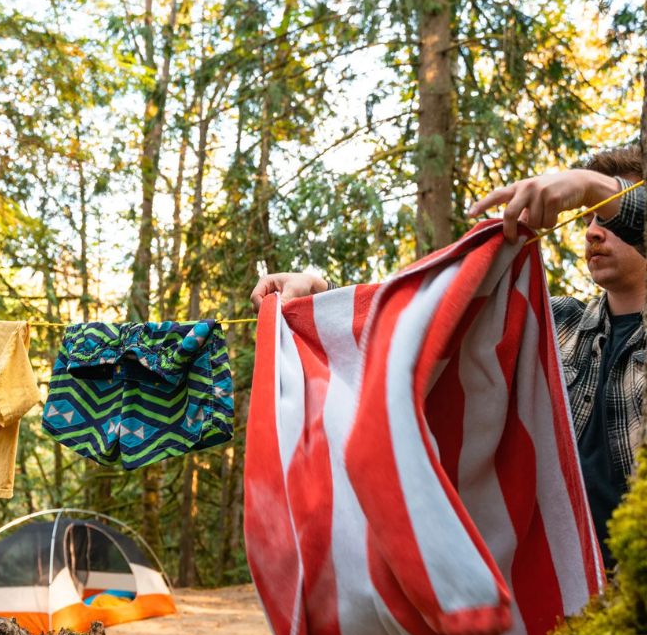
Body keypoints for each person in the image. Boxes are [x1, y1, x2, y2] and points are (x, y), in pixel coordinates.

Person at [249, 146, 646, 569]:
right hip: (567, 588)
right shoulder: (556, 323)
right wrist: (319, 293)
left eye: (605, 216)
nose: (591, 231)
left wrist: (589, 187)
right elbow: (422, 324)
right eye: (587, 218)